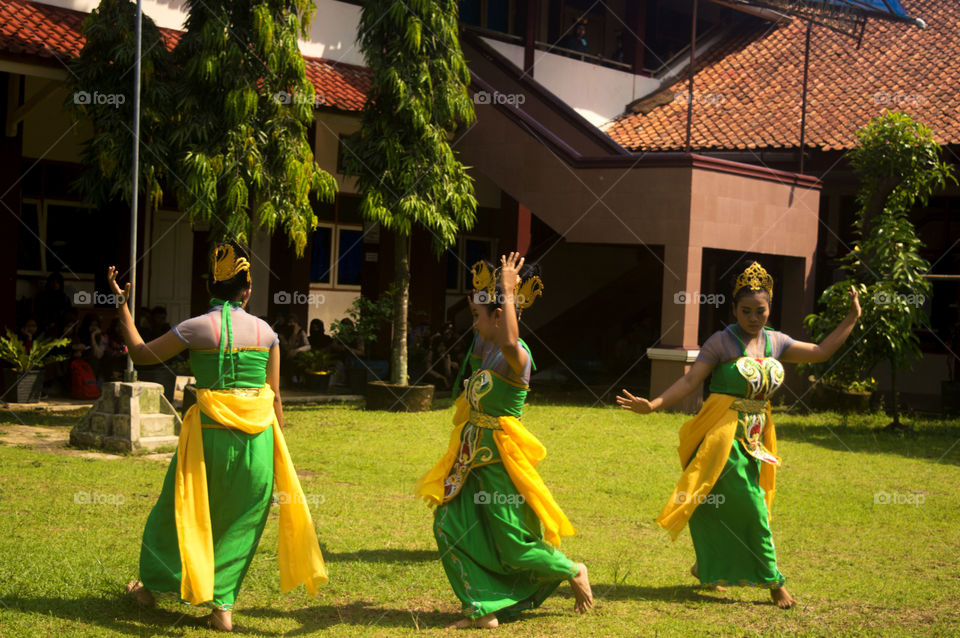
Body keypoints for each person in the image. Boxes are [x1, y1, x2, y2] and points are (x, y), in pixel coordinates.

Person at [617, 261, 861, 609]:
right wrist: (654, 404)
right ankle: (775, 582)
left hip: (758, 438)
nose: (753, 317)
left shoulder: (777, 341)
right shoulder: (721, 342)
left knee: (722, 505)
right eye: (745, 311)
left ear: (769, 309)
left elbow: (821, 352)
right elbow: (690, 381)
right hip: (721, 437)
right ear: (733, 310)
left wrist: (851, 319)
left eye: (759, 311)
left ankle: (708, 566)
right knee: (751, 506)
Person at [111, 240, 327, 631]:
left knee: (176, 514)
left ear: (210, 285)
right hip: (258, 442)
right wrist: (281, 454)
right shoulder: (267, 334)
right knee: (241, 520)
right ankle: (222, 607)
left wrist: (122, 306)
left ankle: (150, 589)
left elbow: (141, 355)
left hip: (206, 441)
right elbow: (275, 400)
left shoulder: (195, 328)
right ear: (247, 289)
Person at [416, 252, 593, 629]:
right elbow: (492, 333)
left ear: (499, 316)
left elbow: (511, 336)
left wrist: (507, 293)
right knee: (447, 525)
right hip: (468, 460)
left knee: (513, 545)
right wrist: (486, 295)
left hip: (499, 461)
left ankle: (572, 569)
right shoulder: (488, 348)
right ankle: (484, 608)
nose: (473, 324)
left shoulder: (518, 356)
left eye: (479, 317)